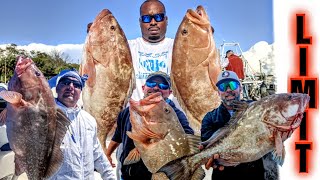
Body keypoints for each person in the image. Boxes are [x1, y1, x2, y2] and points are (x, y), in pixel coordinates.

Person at [106, 71, 194, 180]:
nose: (156, 88)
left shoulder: (176, 115)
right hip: (128, 175)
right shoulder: (127, 112)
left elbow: (188, 141)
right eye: (151, 84)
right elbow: (118, 136)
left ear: (169, 92)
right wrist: (108, 154)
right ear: (143, 87)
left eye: (163, 86)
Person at [201, 70, 278, 180]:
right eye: (223, 87)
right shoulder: (210, 118)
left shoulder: (257, 109)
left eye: (233, 85)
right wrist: (213, 159)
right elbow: (208, 146)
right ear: (218, 92)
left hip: (255, 173)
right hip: (224, 176)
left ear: (240, 88)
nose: (228, 90)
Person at [49, 69, 116, 180]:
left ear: (81, 91)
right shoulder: (44, 117)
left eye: (76, 85)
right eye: (65, 82)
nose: (70, 87)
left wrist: (110, 177)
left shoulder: (89, 119)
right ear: (57, 88)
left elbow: (97, 154)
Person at [128, 0, 174, 101]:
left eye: (159, 17)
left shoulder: (179, 47)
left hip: (171, 116)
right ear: (140, 22)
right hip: (135, 115)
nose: (153, 22)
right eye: (146, 18)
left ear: (166, 20)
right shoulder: (127, 47)